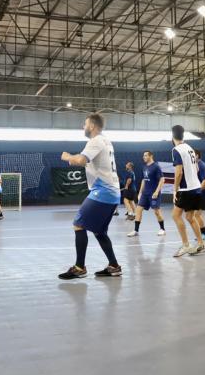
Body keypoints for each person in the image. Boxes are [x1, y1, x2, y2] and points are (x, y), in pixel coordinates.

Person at [58, 113, 123, 279]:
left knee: (78, 224)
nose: (83, 127)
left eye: (85, 124)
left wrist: (67, 157)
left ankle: (80, 268)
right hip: (112, 192)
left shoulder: (95, 141)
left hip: (103, 191)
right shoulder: (106, 141)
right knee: (99, 231)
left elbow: (80, 160)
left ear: (92, 126)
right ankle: (114, 266)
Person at [170, 125, 205, 257]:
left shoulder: (176, 150)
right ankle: (201, 244)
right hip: (196, 187)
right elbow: (196, 169)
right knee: (190, 217)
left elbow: (179, 172)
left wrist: (175, 189)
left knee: (175, 215)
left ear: (172, 135)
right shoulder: (190, 148)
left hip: (186, 189)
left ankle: (185, 245)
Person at [127, 151, 167, 237]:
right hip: (145, 193)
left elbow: (162, 179)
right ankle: (136, 230)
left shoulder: (156, 166)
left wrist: (156, 191)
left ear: (151, 156)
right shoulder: (144, 167)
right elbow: (144, 180)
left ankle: (162, 229)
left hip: (153, 193)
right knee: (138, 210)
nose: (143, 157)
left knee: (157, 212)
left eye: (145, 155)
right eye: (143, 156)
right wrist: (140, 192)